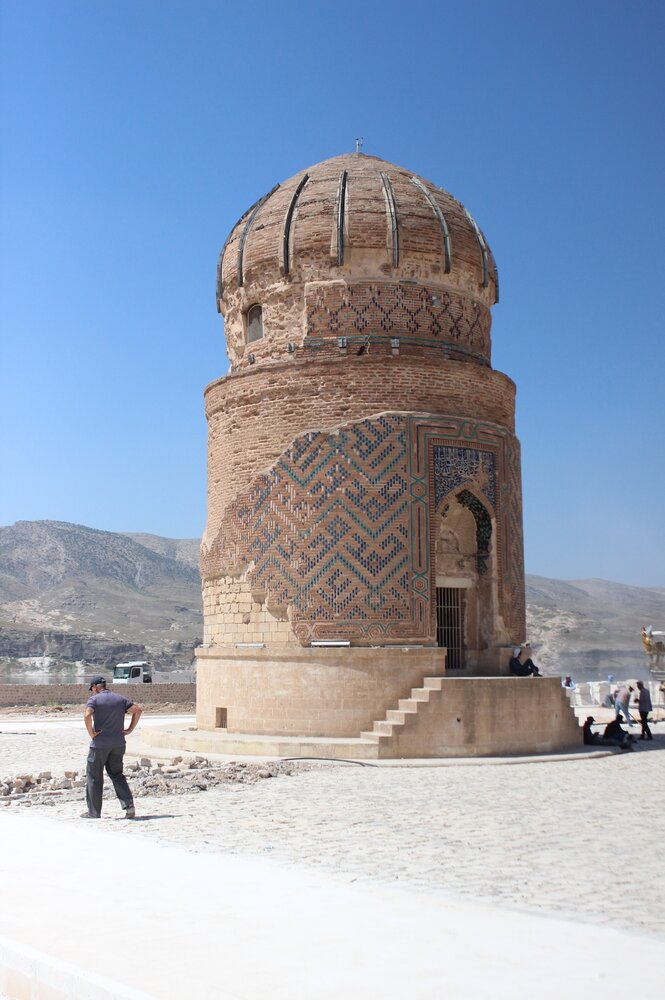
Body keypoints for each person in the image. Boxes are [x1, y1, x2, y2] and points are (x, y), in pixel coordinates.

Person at [82, 674, 142, 819]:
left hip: (100, 744)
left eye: (92, 688)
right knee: (117, 775)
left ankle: (94, 812)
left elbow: (87, 715)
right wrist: (129, 729)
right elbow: (137, 710)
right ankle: (129, 806)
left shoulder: (94, 699)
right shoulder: (120, 699)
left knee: (94, 776)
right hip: (119, 744)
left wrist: (91, 733)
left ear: (95, 688)